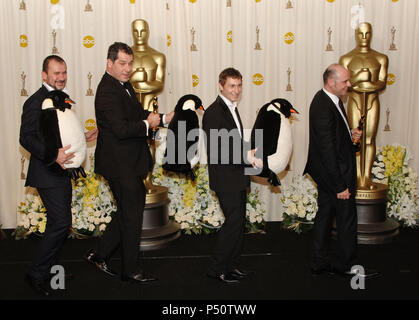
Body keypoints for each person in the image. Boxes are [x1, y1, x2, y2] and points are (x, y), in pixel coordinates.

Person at [84, 42, 173, 283]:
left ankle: (99, 254)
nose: (127, 68)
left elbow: (136, 114)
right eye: (122, 63)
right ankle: (131, 270)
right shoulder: (106, 91)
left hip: (128, 162)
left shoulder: (123, 85)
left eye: (130, 63)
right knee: (132, 217)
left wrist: (163, 118)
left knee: (126, 212)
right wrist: (148, 124)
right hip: (120, 165)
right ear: (109, 63)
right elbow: (123, 129)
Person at [19, 55, 98, 296]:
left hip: (60, 173)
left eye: (63, 72)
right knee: (62, 223)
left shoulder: (58, 99)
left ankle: (50, 269)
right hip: (47, 173)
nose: (61, 77)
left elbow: (55, 132)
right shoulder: (36, 101)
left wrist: (81, 137)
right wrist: (54, 155)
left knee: (58, 223)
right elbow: (27, 137)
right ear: (44, 75)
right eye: (56, 73)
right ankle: (36, 274)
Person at [304, 64, 379, 278]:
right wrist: (340, 185)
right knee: (346, 220)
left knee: (325, 216)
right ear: (331, 82)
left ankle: (319, 262)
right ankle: (347, 265)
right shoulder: (322, 105)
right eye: (345, 81)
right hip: (336, 175)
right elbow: (326, 148)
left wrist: (350, 136)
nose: (349, 84)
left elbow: (334, 140)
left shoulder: (331, 100)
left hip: (331, 173)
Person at [202, 67, 262, 284]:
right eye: (231, 86)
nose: (236, 90)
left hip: (236, 175)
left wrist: (250, 153)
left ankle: (231, 265)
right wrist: (246, 155)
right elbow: (219, 148)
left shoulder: (231, 108)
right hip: (226, 177)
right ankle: (217, 268)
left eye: (239, 85)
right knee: (233, 223)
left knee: (238, 223)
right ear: (221, 86)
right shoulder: (214, 112)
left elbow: (233, 142)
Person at [339, 22, 389, 189]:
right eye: (361, 33)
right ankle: (355, 176)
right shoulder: (346, 59)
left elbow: (382, 83)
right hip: (354, 101)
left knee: (369, 139)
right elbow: (344, 85)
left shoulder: (380, 58)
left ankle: (366, 177)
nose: (364, 37)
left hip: (372, 102)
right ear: (356, 34)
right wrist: (360, 77)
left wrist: (368, 86)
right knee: (355, 139)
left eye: (368, 33)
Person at [130, 19, 166, 111]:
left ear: (148, 32)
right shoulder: (124, 58)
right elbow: (118, 84)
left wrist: (142, 85)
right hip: (128, 107)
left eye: (143, 31)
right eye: (135, 31)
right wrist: (134, 78)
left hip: (150, 106)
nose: (139, 35)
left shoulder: (158, 57)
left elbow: (160, 85)